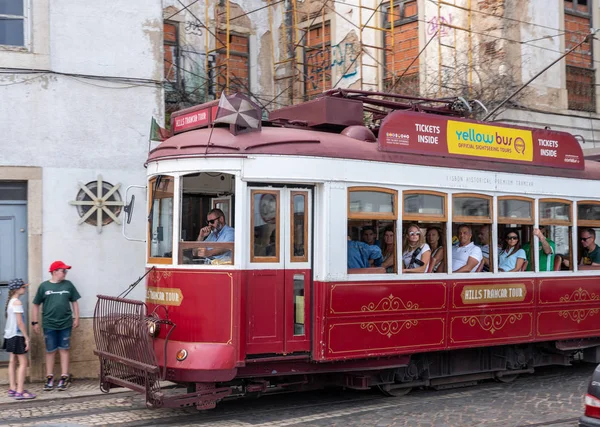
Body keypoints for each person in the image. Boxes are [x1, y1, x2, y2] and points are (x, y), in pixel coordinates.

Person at [32, 261, 81, 391]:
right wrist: (35, 322)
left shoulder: (68, 285)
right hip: (49, 324)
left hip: (65, 323)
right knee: (50, 351)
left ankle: (64, 377)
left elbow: (74, 301)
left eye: (66, 271)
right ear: (54, 272)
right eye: (63, 271)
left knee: (64, 349)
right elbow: (36, 304)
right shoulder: (44, 286)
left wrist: (76, 317)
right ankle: (49, 377)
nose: (65, 273)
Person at [3, 279, 35, 400]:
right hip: (17, 336)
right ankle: (20, 391)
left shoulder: (11, 302)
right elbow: (20, 322)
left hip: (9, 335)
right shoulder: (17, 303)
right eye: (23, 287)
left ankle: (12, 388)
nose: (25, 289)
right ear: (17, 289)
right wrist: (26, 338)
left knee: (12, 361)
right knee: (23, 363)